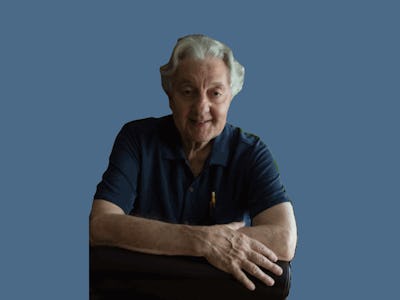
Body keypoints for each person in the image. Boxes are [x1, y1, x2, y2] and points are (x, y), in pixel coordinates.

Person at [89, 34, 297, 292]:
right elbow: (100, 225)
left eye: (215, 93)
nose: (201, 107)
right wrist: (203, 241)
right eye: (188, 92)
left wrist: (157, 241)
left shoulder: (251, 152)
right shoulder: (136, 139)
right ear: (170, 94)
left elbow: (284, 239)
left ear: (231, 95)